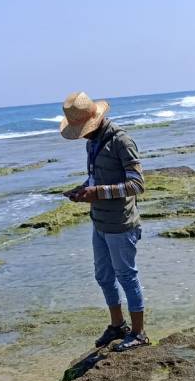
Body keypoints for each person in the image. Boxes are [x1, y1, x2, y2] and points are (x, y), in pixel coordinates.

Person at [60, 91, 148, 351]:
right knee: (103, 276)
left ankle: (139, 332)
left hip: (121, 224)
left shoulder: (122, 141)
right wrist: (82, 190)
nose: (81, 135)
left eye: (81, 130)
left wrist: (96, 193)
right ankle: (118, 325)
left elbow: (137, 184)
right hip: (99, 221)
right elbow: (96, 179)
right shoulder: (93, 143)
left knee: (126, 276)